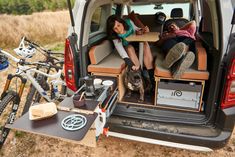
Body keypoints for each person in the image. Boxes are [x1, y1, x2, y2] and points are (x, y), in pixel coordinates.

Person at [106, 15, 155, 89]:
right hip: (129, 46)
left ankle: (152, 79)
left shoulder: (129, 22)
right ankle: (141, 78)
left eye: (119, 25)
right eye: (115, 28)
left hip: (138, 43)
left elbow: (136, 29)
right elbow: (121, 52)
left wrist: (143, 30)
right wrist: (130, 64)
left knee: (145, 43)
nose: (118, 29)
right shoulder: (115, 37)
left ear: (122, 23)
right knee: (129, 48)